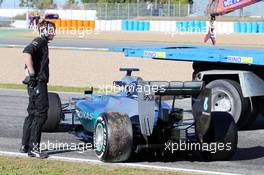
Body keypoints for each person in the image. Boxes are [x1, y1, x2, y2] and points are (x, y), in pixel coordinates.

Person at [19, 19, 56, 158]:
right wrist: (33, 74)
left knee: (32, 114)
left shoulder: (42, 43)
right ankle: (34, 148)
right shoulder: (39, 41)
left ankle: (25, 145)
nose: (54, 34)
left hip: (35, 84)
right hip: (38, 83)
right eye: (52, 30)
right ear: (45, 30)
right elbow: (26, 53)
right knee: (41, 114)